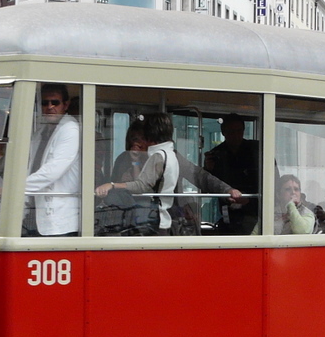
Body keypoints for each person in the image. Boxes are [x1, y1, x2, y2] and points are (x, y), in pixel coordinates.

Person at [95, 113, 243, 235]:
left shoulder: (169, 155)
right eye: (134, 139)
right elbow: (122, 190)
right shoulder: (124, 159)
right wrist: (135, 162)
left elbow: (199, 175)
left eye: (142, 138)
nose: (138, 143)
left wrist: (227, 190)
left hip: (167, 219)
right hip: (132, 220)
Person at [26, 84, 81, 237]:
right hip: (37, 213)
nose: (50, 107)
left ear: (65, 105)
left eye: (55, 102)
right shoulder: (40, 131)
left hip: (62, 220)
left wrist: (15, 189)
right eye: (45, 103)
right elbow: (30, 166)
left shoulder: (70, 129)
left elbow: (53, 170)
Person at [204, 113, 260, 235]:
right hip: (228, 213)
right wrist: (208, 169)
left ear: (243, 131)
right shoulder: (217, 153)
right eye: (231, 131)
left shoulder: (256, 150)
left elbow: (272, 183)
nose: (235, 135)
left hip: (256, 212)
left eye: (239, 131)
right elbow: (207, 187)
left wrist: (249, 200)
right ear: (223, 133)